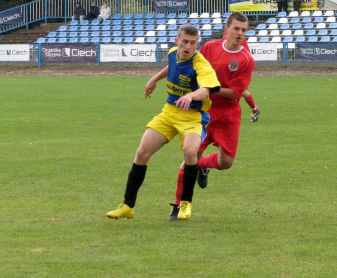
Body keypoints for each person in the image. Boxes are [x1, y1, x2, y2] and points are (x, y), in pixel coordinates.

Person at [106, 24, 220, 221]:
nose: (188, 46)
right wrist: (154, 79)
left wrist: (191, 96)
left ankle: (185, 203)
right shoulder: (173, 52)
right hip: (169, 112)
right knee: (142, 153)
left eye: (193, 43)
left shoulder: (200, 63)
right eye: (185, 42)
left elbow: (207, 90)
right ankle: (127, 206)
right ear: (177, 41)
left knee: (190, 152)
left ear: (197, 45)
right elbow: (171, 66)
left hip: (193, 116)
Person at [169, 12, 255, 220]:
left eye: (244, 30)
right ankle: (178, 204)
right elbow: (192, 69)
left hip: (228, 114)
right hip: (203, 112)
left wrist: (209, 88)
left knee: (226, 163)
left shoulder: (246, 59)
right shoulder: (210, 47)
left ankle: (204, 167)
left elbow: (235, 93)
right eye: (236, 28)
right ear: (226, 30)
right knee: (191, 156)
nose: (240, 33)